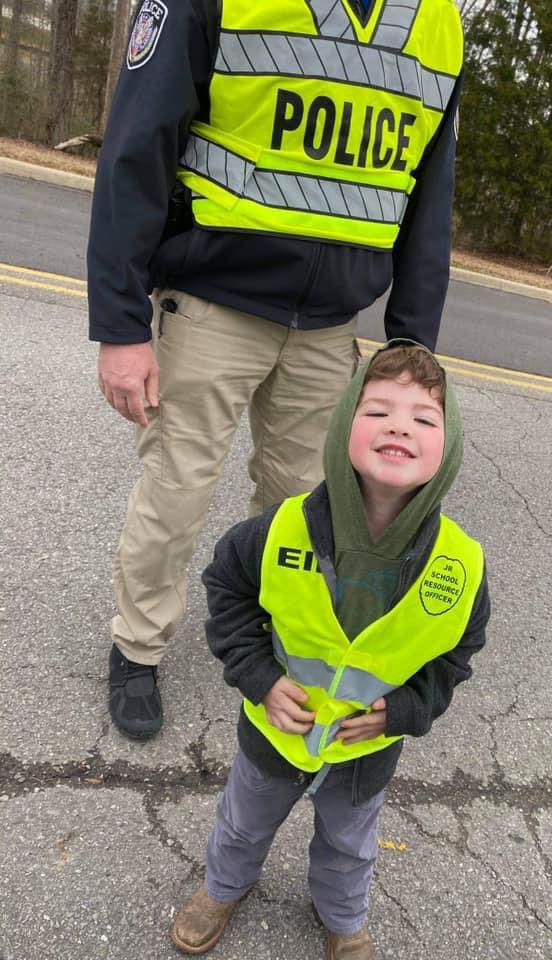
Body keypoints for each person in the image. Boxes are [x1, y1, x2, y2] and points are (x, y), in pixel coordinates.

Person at [87, 0, 466, 739]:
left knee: (305, 509)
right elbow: (137, 146)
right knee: (177, 492)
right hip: (210, 304)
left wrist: (412, 347)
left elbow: (429, 193)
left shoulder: (439, 25)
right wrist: (119, 325)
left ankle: (264, 643)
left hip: (329, 328)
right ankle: (137, 646)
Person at [168, 341, 490, 958]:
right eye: (377, 411)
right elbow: (227, 589)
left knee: (350, 844)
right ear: (344, 426)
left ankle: (343, 918)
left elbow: (456, 657)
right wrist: (258, 675)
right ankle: (223, 886)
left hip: (365, 751)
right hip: (272, 733)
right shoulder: (279, 528)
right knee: (243, 822)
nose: (400, 425)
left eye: (424, 418)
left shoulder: (462, 565)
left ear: (447, 448)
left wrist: (404, 711)